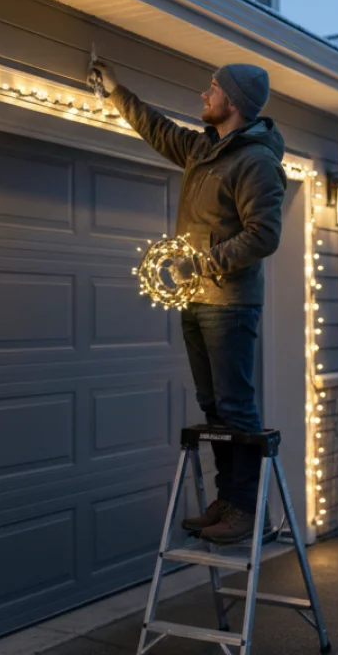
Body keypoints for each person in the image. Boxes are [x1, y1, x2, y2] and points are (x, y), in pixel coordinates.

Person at [91, 59, 287, 543]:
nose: (205, 94)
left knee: (236, 407)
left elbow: (264, 235)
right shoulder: (203, 149)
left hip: (231, 303)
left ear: (235, 102)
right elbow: (158, 131)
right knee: (212, 405)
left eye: (213, 88)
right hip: (195, 301)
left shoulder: (256, 162)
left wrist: (200, 264)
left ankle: (246, 510)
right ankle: (226, 500)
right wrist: (117, 91)